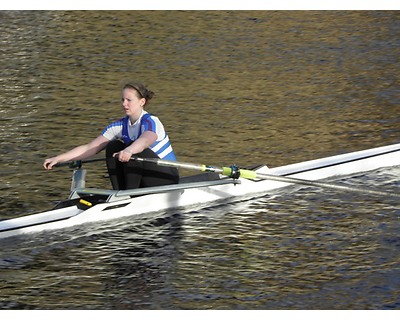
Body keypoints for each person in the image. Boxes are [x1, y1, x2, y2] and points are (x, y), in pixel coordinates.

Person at [43, 81, 179, 190]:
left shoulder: (151, 121)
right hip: (144, 175)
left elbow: (145, 140)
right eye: (122, 100)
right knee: (113, 145)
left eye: (129, 100)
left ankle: (129, 195)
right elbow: (90, 147)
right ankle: (120, 193)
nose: (124, 104)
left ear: (141, 102)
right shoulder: (119, 125)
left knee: (135, 150)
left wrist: (129, 150)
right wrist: (59, 158)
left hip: (166, 176)